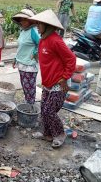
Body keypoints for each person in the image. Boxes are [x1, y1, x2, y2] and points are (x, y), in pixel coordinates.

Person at [29, 9, 76, 148]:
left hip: (58, 83)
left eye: (39, 24)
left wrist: (65, 77)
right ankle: (47, 134)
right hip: (48, 82)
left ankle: (59, 134)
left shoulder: (55, 40)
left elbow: (71, 59)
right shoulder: (43, 39)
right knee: (44, 109)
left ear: (47, 25)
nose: (37, 26)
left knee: (49, 110)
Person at [12, 7, 40, 105]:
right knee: (25, 87)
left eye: (25, 19)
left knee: (30, 89)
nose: (22, 22)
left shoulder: (34, 31)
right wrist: (15, 58)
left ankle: (31, 108)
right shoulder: (23, 31)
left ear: (30, 20)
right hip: (21, 63)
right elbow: (21, 46)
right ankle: (27, 105)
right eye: (21, 19)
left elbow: (41, 43)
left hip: (30, 66)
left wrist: (35, 52)